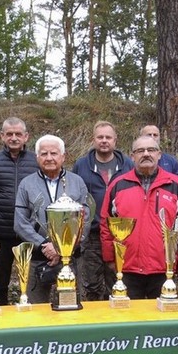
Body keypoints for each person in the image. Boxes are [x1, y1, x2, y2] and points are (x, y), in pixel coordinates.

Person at [99, 135, 178, 299]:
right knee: (127, 313)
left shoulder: (176, 185)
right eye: (140, 151)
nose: (146, 154)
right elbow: (106, 224)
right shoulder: (118, 185)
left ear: (159, 154)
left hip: (164, 269)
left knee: (162, 315)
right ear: (132, 156)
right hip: (127, 268)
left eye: (151, 150)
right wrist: (110, 259)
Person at [14, 135, 90, 304]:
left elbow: (85, 220)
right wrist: (44, 245)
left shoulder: (77, 182)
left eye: (54, 153)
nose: (49, 158)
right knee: (36, 309)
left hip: (71, 258)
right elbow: (20, 223)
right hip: (37, 258)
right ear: (37, 157)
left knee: (70, 307)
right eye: (44, 154)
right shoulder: (26, 184)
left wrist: (62, 248)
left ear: (63, 156)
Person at [0, 117, 39, 305]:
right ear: (2, 136)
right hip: (0, 233)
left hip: (29, 232)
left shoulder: (36, 161)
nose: (14, 138)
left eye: (18, 134)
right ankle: (0, 315)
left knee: (30, 283)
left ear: (26, 136)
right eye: (9, 134)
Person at [72, 121, 133, 301]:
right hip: (92, 234)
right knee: (91, 284)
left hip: (119, 234)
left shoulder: (127, 165)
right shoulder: (82, 165)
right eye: (100, 137)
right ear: (94, 140)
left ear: (115, 140)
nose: (104, 141)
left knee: (117, 280)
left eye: (108, 137)